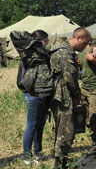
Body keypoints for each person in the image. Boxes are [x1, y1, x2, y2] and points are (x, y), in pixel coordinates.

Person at [50, 27, 91, 168]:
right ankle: (60, 163)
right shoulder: (65, 52)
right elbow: (69, 77)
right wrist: (77, 94)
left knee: (63, 128)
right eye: (85, 43)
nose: (85, 46)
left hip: (60, 93)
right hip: (64, 94)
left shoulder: (63, 50)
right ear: (78, 38)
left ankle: (61, 160)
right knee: (66, 129)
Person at [15, 30, 51, 165]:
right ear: (39, 41)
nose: (47, 44)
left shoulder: (42, 55)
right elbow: (16, 34)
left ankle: (38, 152)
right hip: (33, 94)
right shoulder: (29, 55)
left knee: (40, 125)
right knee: (32, 125)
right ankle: (26, 156)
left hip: (44, 93)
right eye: (46, 41)